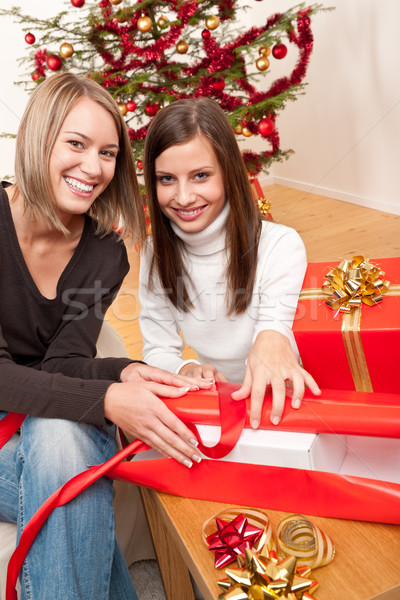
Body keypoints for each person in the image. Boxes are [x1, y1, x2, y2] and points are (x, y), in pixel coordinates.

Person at [0, 72, 211, 600]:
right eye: (76, 144)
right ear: (36, 138)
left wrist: (123, 371)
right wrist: (109, 396)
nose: (93, 168)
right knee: (74, 462)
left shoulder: (103, 253)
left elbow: (62, 362)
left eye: (109, 152)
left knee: (64, 439)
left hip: (30, 419)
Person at [139, 97, 321, 430]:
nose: (183, 197)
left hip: (288, 400)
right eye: (166, 179)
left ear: (228, 172)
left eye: (200, 176)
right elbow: (158, 347)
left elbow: (273, 332)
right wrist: (187, 370)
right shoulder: (154, 253)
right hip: (219, 407)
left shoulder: (280, 244)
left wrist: (272, 337)